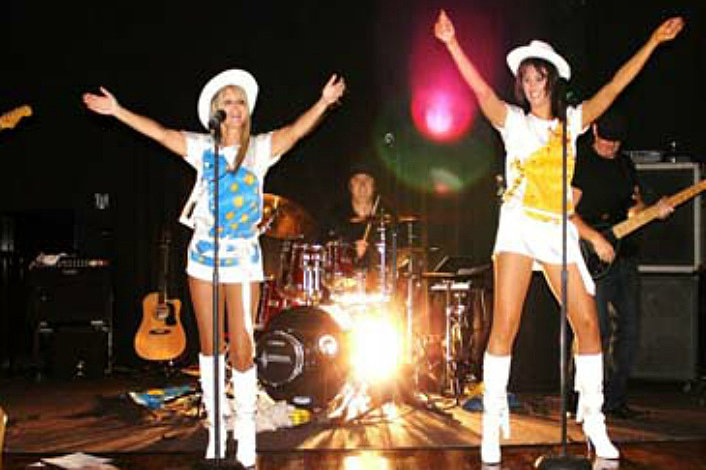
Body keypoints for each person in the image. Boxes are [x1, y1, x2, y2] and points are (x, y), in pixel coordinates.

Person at [434, 9, 683, 465]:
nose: (531, 86)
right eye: (525, 79)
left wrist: (652, 41)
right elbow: (481, 91)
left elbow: (614, 88)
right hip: (518, 225)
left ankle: (593, 421)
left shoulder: (572, 123)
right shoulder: (513, 121)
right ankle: (492, 422)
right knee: (505, 325)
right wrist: (452, 44)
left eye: (538, 78)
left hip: (556, 228)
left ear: (551, 80)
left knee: (588, 325)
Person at [83, 69, 345, 468]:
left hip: (242, 258)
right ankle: (216, 432)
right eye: (227, 101)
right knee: (208, 346)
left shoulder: (259, 149)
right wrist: (118, 111)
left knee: (242, 346)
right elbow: (160, 133)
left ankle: (246, 433)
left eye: (240, 101)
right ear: (215, 111)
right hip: (204, 257)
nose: (235, 108)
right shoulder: (202, 147)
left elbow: (295, 131)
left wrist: (323, 103)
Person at [571, 110, 673, 419]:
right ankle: (583, 399)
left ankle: (614, 400)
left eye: (616, 143)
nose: (610, 147)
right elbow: (566, 213)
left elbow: (633, 207)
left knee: (629, 328)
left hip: (625, 254)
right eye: (606, 141)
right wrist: (595, 240)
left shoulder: (625, 164)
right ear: (594, 131)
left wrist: (650, 211)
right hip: (591, 253)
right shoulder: (581, 163)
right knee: (595, 328)